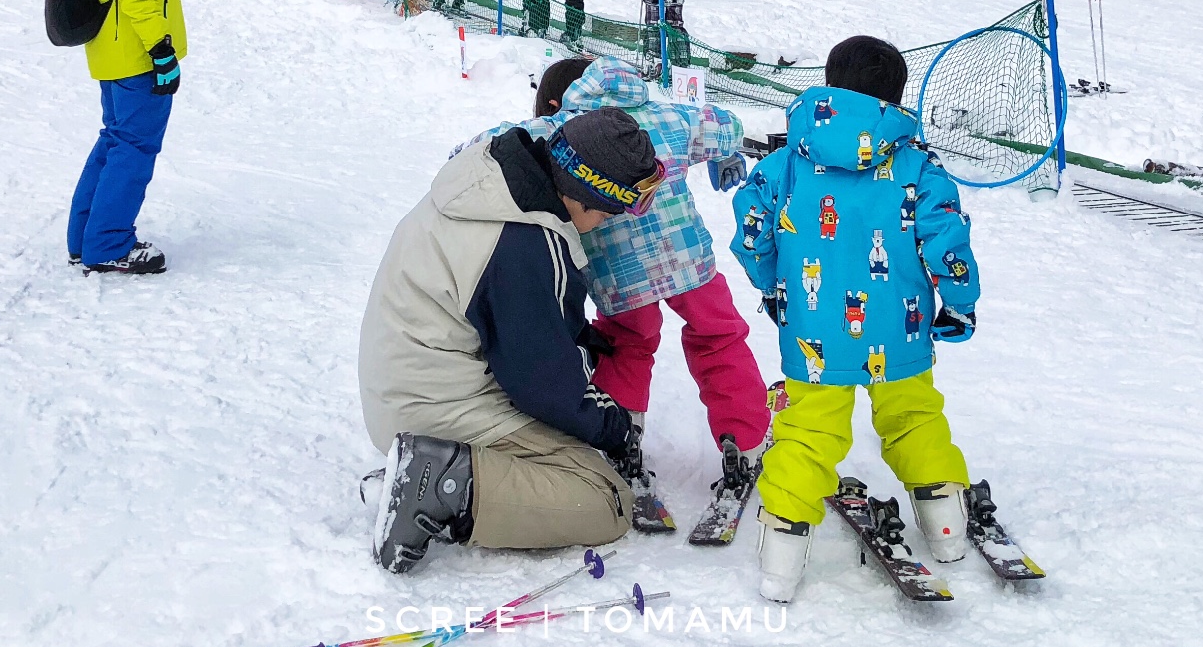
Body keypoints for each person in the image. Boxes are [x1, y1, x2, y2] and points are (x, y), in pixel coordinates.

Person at [731, 35, 984, 602]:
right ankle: (946, 526)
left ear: (828, 86)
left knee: (808, 432)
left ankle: (782, 557)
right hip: (899, 327)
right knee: (914, 416)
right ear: (896, 98)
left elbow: (750, 233)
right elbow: (948, 240)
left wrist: (777, 286)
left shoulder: (784, 167)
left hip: (816, 333)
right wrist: (961, 304)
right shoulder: (918, 166)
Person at [361, 109, 660, 572]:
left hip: (408, 381)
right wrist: (614, 429)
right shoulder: (523, 241)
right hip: (433, 404)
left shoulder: (495, 181)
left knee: (569, 443)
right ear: (584, 193)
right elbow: (541, 384)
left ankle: (416, 475)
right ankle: (441, 484)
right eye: (608, 210)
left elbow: (524, 324)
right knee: (604, 499)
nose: (604, 223)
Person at [511, 56, 766, 526]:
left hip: (620, 276)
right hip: (689, 262)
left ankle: (619, 442)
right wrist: (728, 149)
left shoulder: (563, 128)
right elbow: (724, 123)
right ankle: (744, 443)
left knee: (625, 346)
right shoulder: (669, 116)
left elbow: (499, 142)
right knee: (720, 337)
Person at [66, 0, 185, 275]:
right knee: (133, 146)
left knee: (115, 140)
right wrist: (160, 48)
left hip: (112, 49)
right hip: (135, 51)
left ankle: (86, 238)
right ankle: (109, 243)